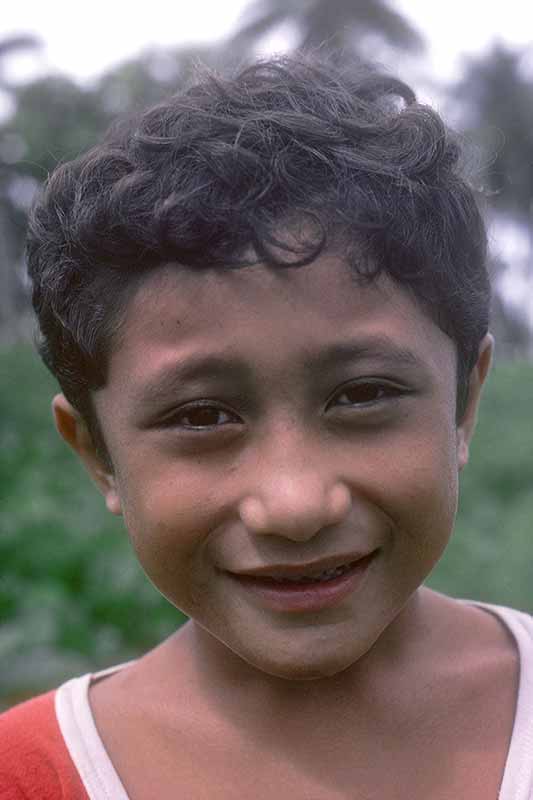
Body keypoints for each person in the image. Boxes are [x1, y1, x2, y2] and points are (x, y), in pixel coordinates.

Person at [1, 52, 531, 800]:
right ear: (98, 453)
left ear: (462, 405)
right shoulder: (25, 776)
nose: (293, 505)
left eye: (362, 395)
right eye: (201, 415)